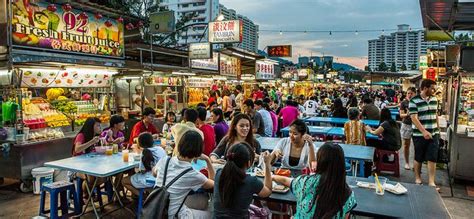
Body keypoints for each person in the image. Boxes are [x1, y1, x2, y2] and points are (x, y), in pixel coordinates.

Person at [272, 142, 357, 218]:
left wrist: (272, 176)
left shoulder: (306, 182)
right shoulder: (348, 195)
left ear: (320, 161)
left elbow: (286, 181)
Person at [153, 131, 215, 218]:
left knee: (199, 203)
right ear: (199, 150)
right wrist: (208, 160)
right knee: (210, 215)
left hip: (156, 211)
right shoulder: (193, 174)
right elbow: (213, 183)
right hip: (174, 216)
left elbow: (154, 173)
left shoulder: (165, 160)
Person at [212, 143, 272, 218]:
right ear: (248, 163)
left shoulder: (219, 174)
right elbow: (268, 191)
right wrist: (267, 165)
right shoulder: (251, 181)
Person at [409, 79, 440, 188]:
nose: (434, 90)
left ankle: (431, 181)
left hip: (433, 133)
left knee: (432, 157)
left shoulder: (435, 99)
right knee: (419, 157)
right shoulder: (414, 101)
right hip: (419, 135)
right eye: (432, 88)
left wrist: (438, 129)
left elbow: (435, 114)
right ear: (425, 88)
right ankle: (418, 178)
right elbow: (414, 118)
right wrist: (423, 131)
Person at [400, 87, 416, 170]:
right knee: (406, 145)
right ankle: (406, 162)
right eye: (408, 93)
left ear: (415, 94)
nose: (409, 95)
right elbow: (401, 115)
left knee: (417, 145)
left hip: (416, 125)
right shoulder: (404, 103)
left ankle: (415, 164)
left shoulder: (417, 102)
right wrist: (407, 114)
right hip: (406, 125)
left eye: (411, 93)